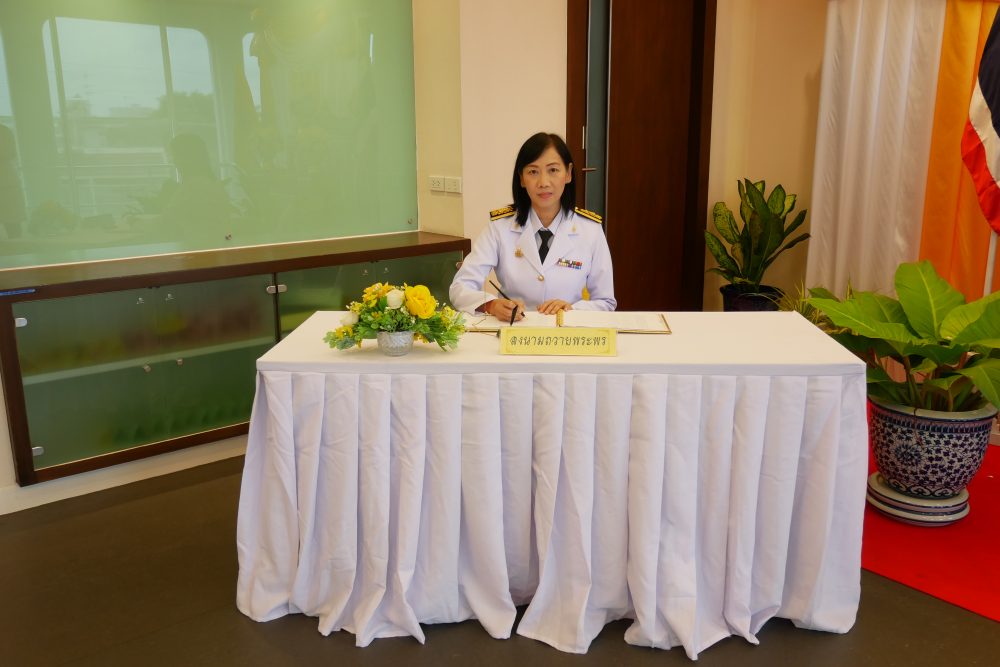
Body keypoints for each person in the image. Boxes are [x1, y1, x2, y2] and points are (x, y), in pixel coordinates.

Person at [450, 132, 615, 319]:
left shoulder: (590, 230)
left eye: (553, 170)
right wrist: (491, 305)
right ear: (521, 178)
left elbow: (606, 302)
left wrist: (572, 310)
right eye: (533, 172)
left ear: (568, 173)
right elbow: (460, 287)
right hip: (513, 330)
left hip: (566, 331)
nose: (543, 183)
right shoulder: (500, 227)